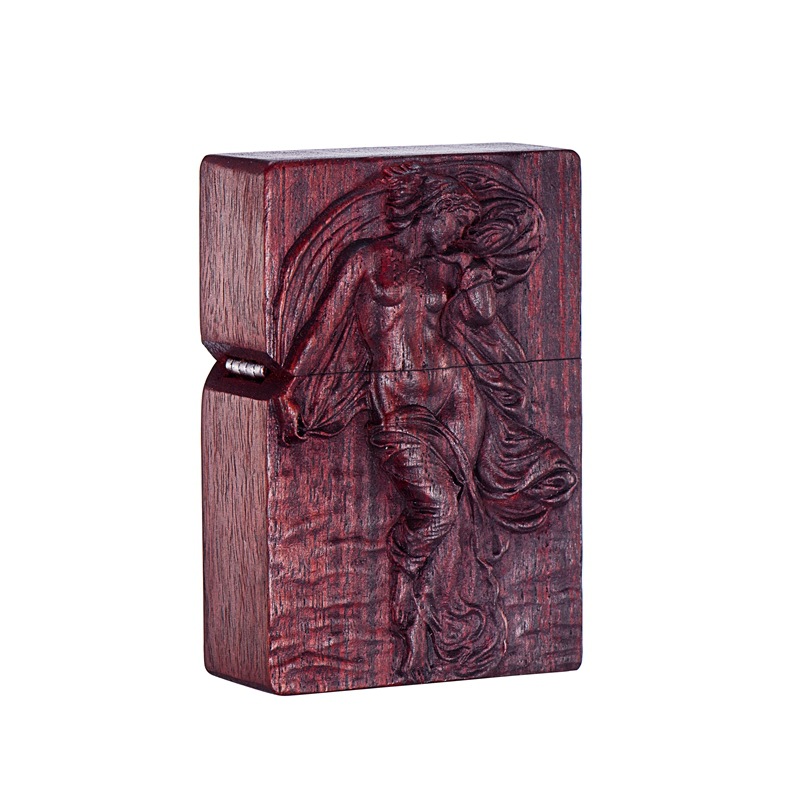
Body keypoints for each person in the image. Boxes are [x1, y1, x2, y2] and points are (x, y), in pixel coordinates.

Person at [274, 162, 577, 681]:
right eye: (457, 222)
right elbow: (323, 328)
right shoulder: (366, 261)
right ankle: (407, 589)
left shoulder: (449, 267)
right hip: (400, 410)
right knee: (437, 506)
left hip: (458, 399)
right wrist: (288, 387)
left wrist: (475, 275)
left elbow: (482, 315)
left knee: (457, 512)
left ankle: (442, 627)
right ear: (434, 212)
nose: (459, 234)